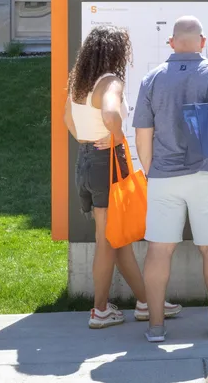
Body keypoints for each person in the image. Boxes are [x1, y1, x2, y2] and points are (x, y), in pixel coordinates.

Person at [134, 16, 208, 343]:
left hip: (164, 175)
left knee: (158, 251)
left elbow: (143, 135)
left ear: (171, 43)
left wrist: (151, 171)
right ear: (202, 41)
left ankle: (155, 327)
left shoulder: (152, 79)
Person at [65, 26, 182, 330]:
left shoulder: (80, 83)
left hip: (86, 161)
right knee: (108, 240)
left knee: (117, 239)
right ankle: (100, 310)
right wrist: (114, 135)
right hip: (107, 163)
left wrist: (89, 140)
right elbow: (110, 115)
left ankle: (146, 302)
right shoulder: (110, 82)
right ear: (116, 52)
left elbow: (68, 119)